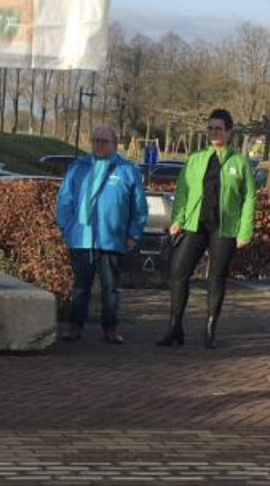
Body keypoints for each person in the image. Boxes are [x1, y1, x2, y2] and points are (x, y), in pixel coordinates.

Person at [157, 108, 256, 349]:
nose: (213, 132)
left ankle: (210, 329)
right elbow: (182, 191)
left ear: (228, 132)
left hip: (224, 227)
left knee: (216, 277)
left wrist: (245, 231)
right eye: (210, 128)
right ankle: (174, 326)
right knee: (178, 271)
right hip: (196, 224)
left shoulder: (240, 162)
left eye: (218, 129)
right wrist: (178, 219)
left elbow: (249, 198)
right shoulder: (196, 159)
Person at [57, 124, 148, 344]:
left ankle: (110, 329)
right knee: (80, 286)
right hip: (82, 238)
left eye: (104, 141)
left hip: (112, 239)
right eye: (96, 141)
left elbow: (139, 206)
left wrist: (133, 235)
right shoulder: (78, 168)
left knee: (110, 288)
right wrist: (67, 227)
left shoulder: (127, 171)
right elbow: (64, 200)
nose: (99, 145)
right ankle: (75, 326)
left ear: (114, 144)